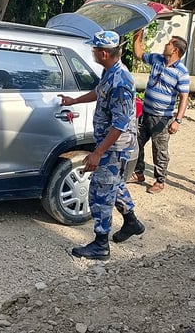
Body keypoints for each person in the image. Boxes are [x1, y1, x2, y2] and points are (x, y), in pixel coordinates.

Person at [58, 30, 144, 260]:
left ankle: (100, 245)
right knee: (114, 185)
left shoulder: (120, 81)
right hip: (110, 145)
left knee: (100, 192)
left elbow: (120, 123)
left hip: (114, 147)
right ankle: (132, 222)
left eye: (95, 49)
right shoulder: (110, 72)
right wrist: (74, 100)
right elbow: (99, 92)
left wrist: (98, 152)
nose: (93, 52)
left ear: (104, 53)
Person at [128, 30, 190, 194]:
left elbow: (184, 97)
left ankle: (160, 181)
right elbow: (139, 54)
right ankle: (139, 173)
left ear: (175, 50)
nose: (166, 45)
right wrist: (137, 36)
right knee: (137, 142)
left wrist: (178, 120)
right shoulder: (158, 59)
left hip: (162, 118)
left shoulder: (181, 72)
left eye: (169, 43)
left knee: (159, 150)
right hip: (145, 114)